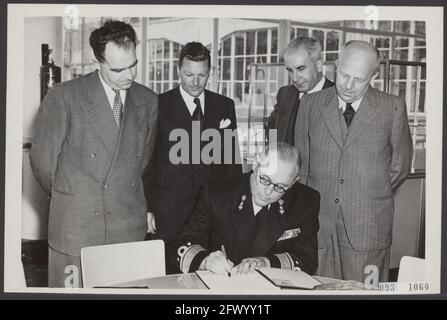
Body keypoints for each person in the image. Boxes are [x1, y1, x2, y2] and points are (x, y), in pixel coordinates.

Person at [30, 20, 158, 287]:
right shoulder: (63, 97)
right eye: (118, 69)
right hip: (77, 228)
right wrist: (76, 197)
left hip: (127, 228)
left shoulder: (148, 101)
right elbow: (43, 165)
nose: (129, 75)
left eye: (133, 64)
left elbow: (142, 162)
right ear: (96, 61)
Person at [295, 40, 413, 282]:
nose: (348, 85)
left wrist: (364, 193)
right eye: (344, 75)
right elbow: (302, 166)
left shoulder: (393, 107)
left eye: (358, 79)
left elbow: (399, 168)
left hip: (368, 226)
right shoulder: (310, 104)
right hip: (318, 224)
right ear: (336, 66)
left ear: (373, 75)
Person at [144, 42, 241, 272]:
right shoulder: (158, 105)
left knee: (207, 273)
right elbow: (147, 163)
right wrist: (147, 208)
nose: (195, 82)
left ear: (211, 72)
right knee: (168, 276)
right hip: (168, 211)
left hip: (211, 214)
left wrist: (233, 209)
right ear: (178, 71)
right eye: (189, 74)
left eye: (202, 75)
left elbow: (231, 163)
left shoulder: (224, 106)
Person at [169, 142, 319, 276]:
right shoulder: (217, 192)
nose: (268, 192)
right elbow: (180, 244)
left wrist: (267, 263)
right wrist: (205, 260)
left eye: (280, 187)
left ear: (293, 183)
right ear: (255, 164)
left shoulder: (305, 202)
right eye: (265, 179)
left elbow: (308, 260)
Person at [267, 37, 334, 145]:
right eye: (290, 70)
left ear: (319, 65)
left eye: (301, 69)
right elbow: (271, 127)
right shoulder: (285, 94)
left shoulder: (338, 97)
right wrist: (275, 154)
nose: (295, 78)